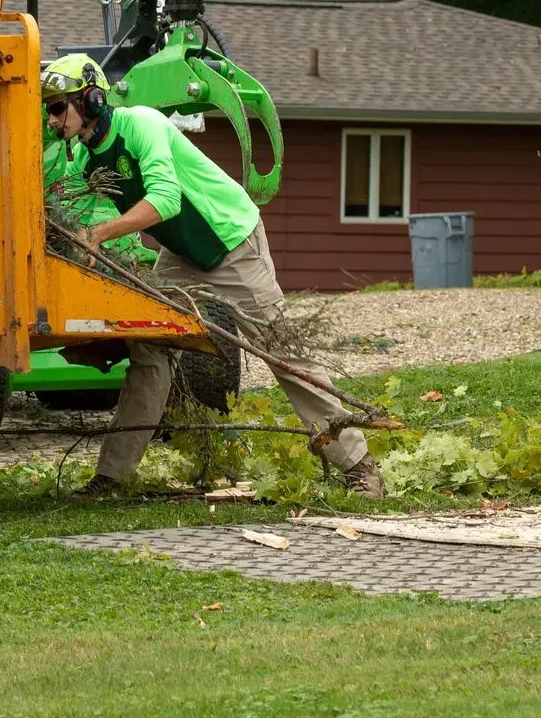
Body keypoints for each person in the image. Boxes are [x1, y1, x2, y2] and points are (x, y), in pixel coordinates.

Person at [39, 52, 385, 499]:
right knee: (151, 351)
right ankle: (113, 476)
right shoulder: (82, 157)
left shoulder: (141, 124)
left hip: (230, 240)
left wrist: (99, 234)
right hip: (182, 252)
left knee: (281, 352)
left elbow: (165, 200)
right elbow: (65, 204)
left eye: (55, 107)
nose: (50, 120)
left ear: (89, 99)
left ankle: (358, 466)